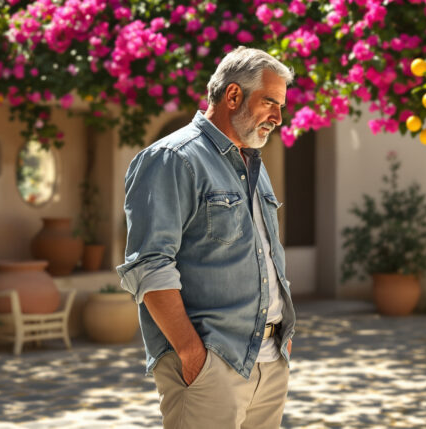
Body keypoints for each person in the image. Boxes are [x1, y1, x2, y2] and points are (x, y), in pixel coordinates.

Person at [116, 46, 296, 429]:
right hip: (211, 365)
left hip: (269, 361)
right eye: (270, 102)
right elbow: (149, 265)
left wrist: (282, 339)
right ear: (233, 95)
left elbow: (265, 256)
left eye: (280, 106)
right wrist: (191, 353)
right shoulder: (172, 158)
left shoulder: (253, 165)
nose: (279, 118)